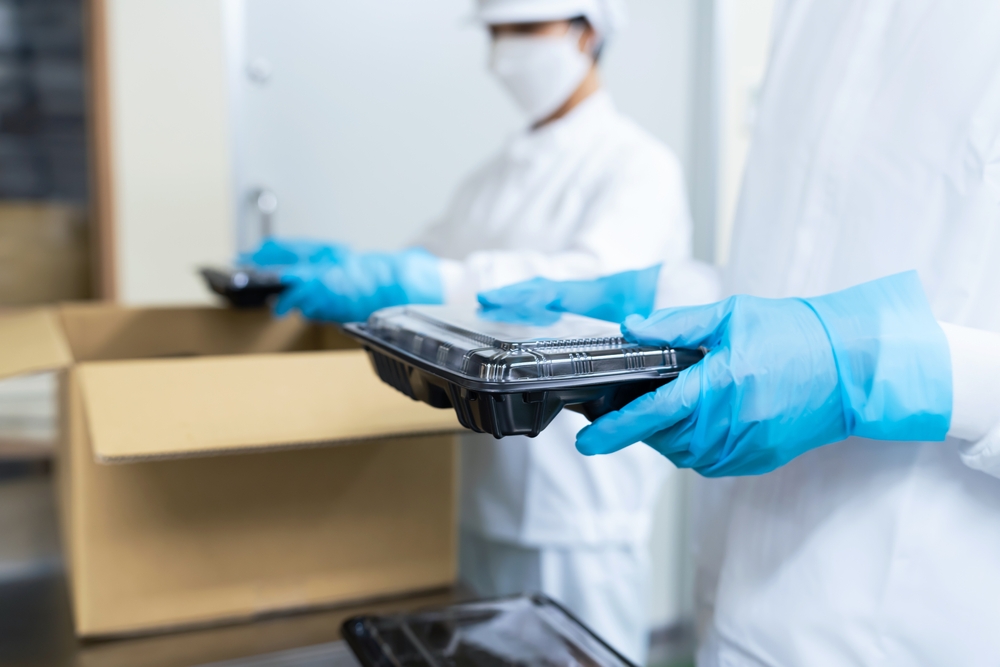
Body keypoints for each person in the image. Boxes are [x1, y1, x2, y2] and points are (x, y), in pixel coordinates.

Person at [479, 0, 1000, 663]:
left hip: (914, 626)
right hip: (735, 603)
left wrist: (891, 364)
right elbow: (804, 267)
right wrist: (675, 297)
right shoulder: (808, 15)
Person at [243, 1, 717, 662]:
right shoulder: (496, 175)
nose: (505, 50)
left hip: (574, 498)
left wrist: (413, 280)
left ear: (589, 30)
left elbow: (587, 293)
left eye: (526, 28)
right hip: (479, 489)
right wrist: (353, 265)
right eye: (497, 31)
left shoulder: (637, 166)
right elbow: (430, 264)